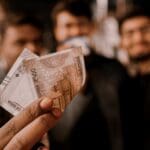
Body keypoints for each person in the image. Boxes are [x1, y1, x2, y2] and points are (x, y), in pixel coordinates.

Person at [49, 1, 130, 150]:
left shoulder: (114, 69)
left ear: (91, 27)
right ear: (56, 31)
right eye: (68, 26)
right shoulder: (46, 73)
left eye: (81, 24)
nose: (75, 32)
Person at [118, 7, 150, 150]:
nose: (138, 39)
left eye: (145, 30)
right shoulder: (124, 83)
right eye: (129, 33)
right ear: (122, 42)